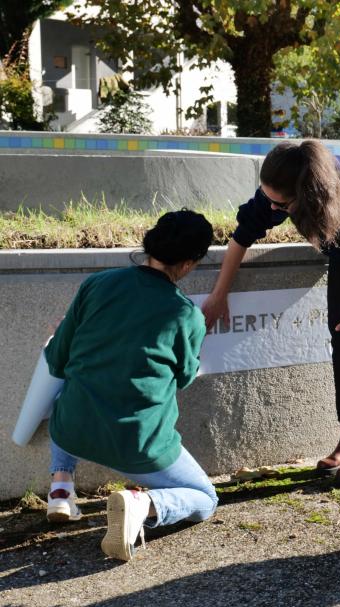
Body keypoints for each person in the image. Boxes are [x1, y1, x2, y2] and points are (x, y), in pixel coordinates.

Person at [200, 140, 340, 486]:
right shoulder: (279, 190)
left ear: (306, 195)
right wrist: (218, 295)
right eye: (267, 197)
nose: (271, 208)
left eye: (279, 204)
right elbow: (241, 237)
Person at [44, 210, 218, 561]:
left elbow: (57, 359)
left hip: (70, 431)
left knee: (72, 390)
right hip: (138, 446)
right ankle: (144, 504)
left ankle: (61, 487)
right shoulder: (186, 315)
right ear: (188, 264)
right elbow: (184, 378)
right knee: (205, 498)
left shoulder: (97, 284)